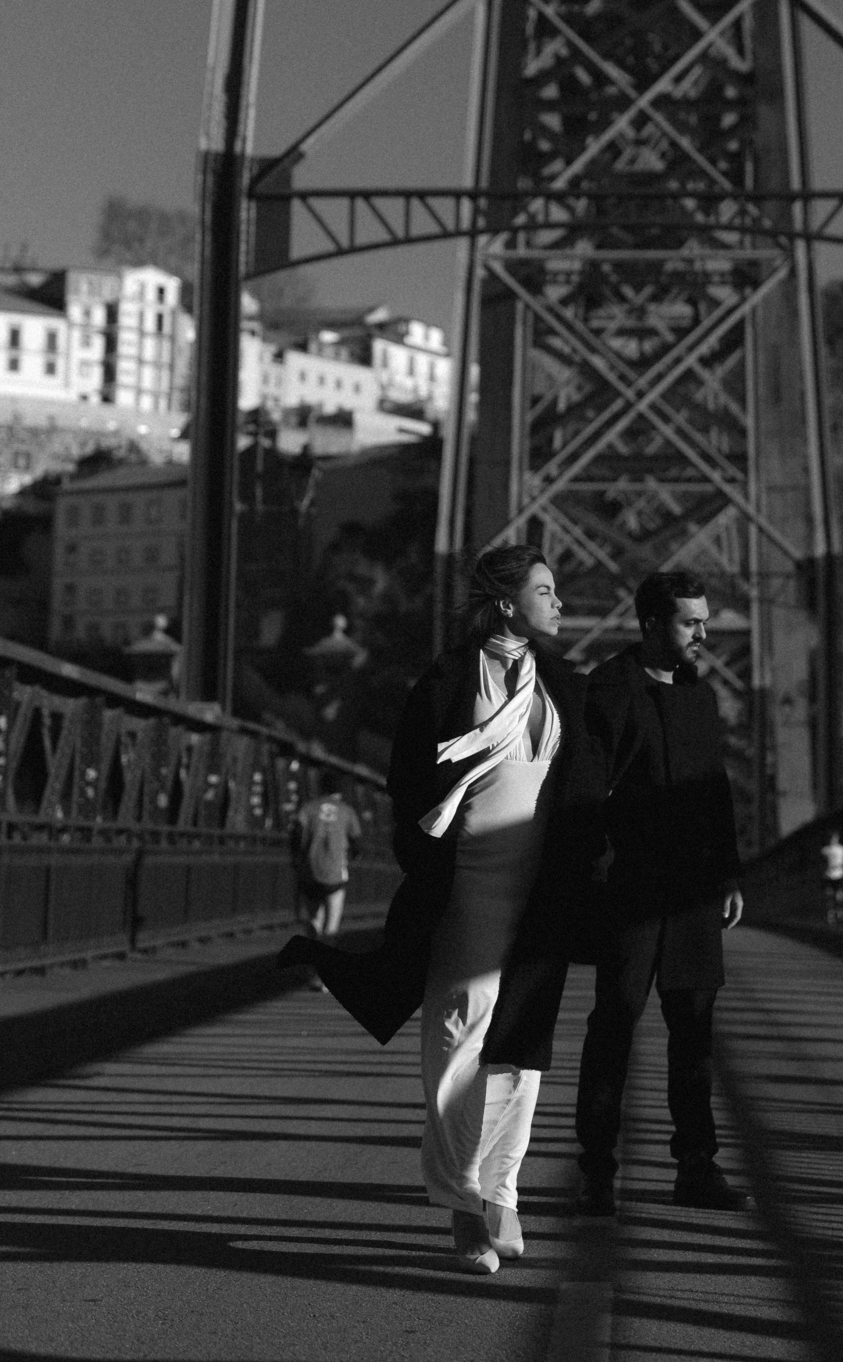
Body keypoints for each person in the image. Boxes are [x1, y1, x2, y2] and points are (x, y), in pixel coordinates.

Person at [279, 545, 603, 1274]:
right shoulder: (448, 679)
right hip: (467, 882)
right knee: (461, 1034)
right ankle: (462, 1202)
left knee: (523, 1045)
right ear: (507, 602)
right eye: (546, 591)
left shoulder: (562, 683)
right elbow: (409, 780)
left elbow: (589, 774)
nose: (560, 604)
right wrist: (423, 853)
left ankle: (502, 1189)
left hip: (542, 885)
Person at [573, 570, 747, 1216]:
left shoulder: (700, 696)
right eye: (690, 622)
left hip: (695, 891)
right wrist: (603, 871)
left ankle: (696, 1166)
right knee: (614, 1025)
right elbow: (584, 789)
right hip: (633, 890)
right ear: (650, 623)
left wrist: (729, 874)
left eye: (705, 621)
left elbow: (715, 790)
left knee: (694, 1033)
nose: (703, 633)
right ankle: (597, 1170)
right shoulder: (610, 689)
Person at [289, 774, 362, 961]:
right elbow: (357, 842)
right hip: (335, 876)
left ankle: (314, 933)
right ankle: (325, 963)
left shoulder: (308, 808)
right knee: (331, 927)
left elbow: (296, 834)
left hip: (310, 872)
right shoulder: (347, 811)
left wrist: (297, 859)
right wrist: (352, 856)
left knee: (314, 918)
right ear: (340, 792)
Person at [821, 831, 843, 925]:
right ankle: (831, 914)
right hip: (829, 875)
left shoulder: (841, 849)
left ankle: (839, 912)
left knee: (838, 895)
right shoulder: (826, 850)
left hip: (838, 874)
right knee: (830, 895)